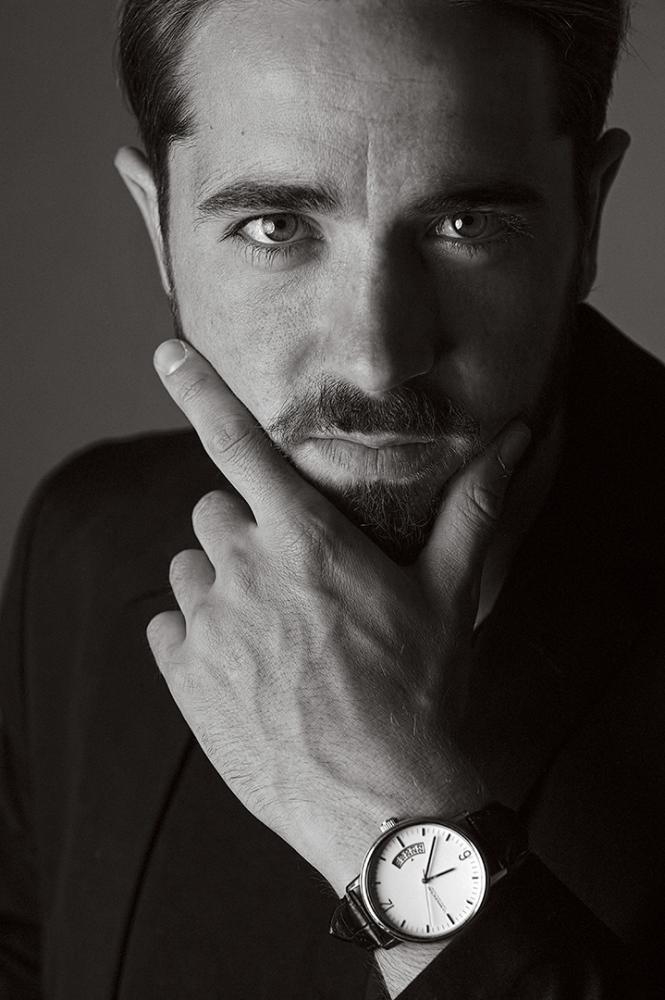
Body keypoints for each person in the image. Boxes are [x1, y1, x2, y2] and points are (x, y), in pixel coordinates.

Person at [1, 0, 664, 996]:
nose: (376, 358)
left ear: (587, 217)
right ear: (158, 228)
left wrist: (393, 819)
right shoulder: (86, 543)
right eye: (274, 227)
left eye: (464, 224)